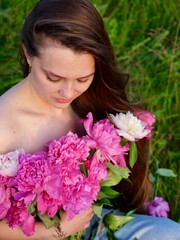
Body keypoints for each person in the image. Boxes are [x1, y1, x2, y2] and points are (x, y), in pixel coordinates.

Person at [0, 0, 179, 239]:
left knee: (169, 234)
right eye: (53, 78)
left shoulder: (89, 102)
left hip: (90, 222)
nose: (67, 93)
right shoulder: (4, 122)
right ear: (28, 54)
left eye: (83, 79)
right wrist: (55, 232)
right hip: (32, 234)